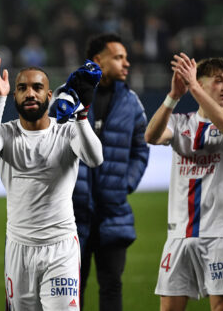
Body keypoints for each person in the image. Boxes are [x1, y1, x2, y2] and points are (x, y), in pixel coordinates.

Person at [0, 56, 103, 310]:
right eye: (22, 88)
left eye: (37, 88)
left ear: (49, 95)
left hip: (61, 248)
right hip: (18, 248)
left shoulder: (66, 131)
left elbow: (95, 158)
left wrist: (81, 115)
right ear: (14, 96)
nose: (30, 93)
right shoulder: (6, 133)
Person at [145, 54, 223, 311]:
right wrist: (173, 96)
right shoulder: (180, 122)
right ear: (201, 84)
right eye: (218, 81)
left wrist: (192, 87)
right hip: (178, 235)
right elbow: (151, 136)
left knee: (222, 308)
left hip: (219, 235)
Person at [70, 33, 150, 310]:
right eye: (118, 57)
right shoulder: (69, 98)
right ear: (98, 61)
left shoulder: (131, 103)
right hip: (72, 216)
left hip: (113, 214)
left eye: (126, 58)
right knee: (71, 291)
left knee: (112, 286)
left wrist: (125, 183)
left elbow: (141, 149)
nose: (126, 63)